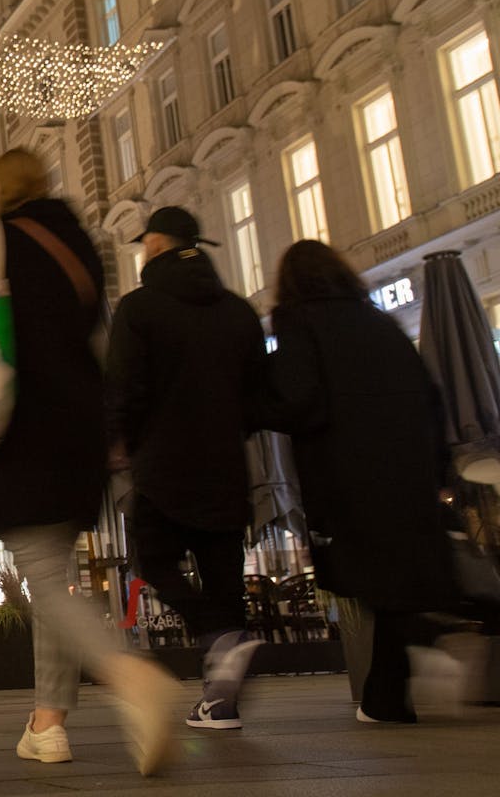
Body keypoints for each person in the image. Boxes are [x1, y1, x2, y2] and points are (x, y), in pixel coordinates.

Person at [0, 150, 178, 775]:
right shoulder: (80, 245)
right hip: (80, 428)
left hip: (16, 425)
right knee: (53, 573)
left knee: (42, 572)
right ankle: (49, 724)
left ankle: (130, 677)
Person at [263, 240, 480, 723]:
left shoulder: (298, 321)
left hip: (349, 473)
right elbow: (432, 397)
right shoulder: (381, 321)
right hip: (408, 470)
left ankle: (427, 647)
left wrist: (258, 401)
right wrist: (437, 470)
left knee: (366, 578)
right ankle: (385, 700)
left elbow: (302, 401)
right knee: (392, 580)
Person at [106, 204, 269, 733]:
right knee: (224, 577)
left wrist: (118, 441)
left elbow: (125, 388)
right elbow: (257, 393)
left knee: (152, 560)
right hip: (225, 463)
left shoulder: (139, 308)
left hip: (164, 463)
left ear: (155, 244)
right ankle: (221, 702)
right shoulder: (239, 311)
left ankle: (218, 639)